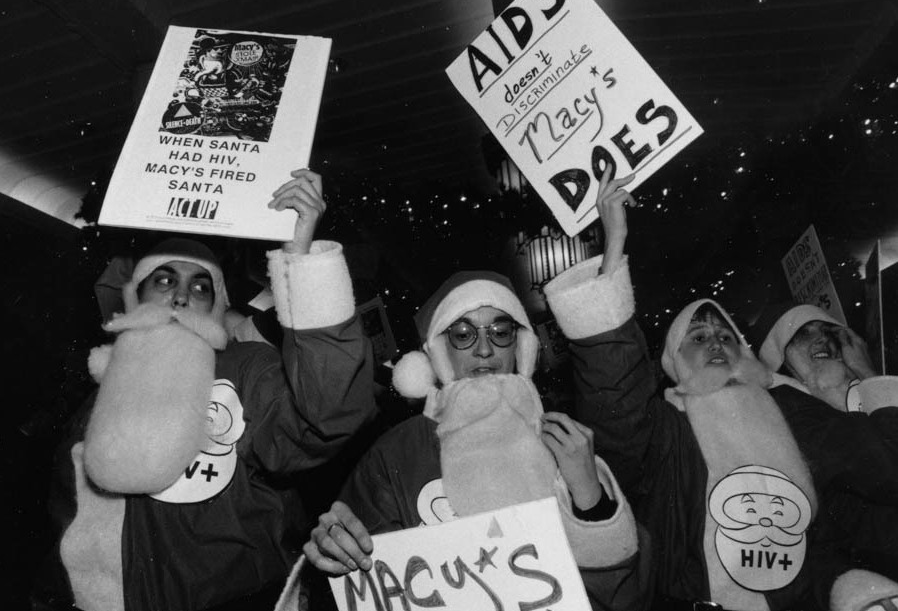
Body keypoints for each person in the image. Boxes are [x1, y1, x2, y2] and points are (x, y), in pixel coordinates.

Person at [542, 168, 896, 610]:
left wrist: (856, 591)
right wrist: (613, 245)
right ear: (673, 362)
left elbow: (878, 480)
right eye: (698, 337)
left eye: (725, 336)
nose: (715, 342)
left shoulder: (792, 411)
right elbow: (615, 392)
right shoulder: (666, 429)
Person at [36, 170, 376, 611]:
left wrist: (301, 255)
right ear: (134, 298)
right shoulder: (96, 403)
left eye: (200, 287)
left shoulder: (247, 371)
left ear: (215, 307)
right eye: (163, 281)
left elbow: (328, 413)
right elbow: (64, 539)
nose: (180, 297)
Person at [298, 270, 650, 611]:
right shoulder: (397, 453)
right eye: (463, 334)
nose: (484, 349)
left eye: (501, 331)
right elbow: (361, 584)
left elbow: (622, 597)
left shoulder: (565, 442)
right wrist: (336, 551)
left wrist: (591, 499)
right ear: (438, 351)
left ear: (520, 346)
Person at [753, 304, 898, 586]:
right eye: (803, 333)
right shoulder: (792, 408)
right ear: (781, 359)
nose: (821, 339)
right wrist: (869, 374)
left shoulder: (853, 395)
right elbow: (888, 473)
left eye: (828, 331)